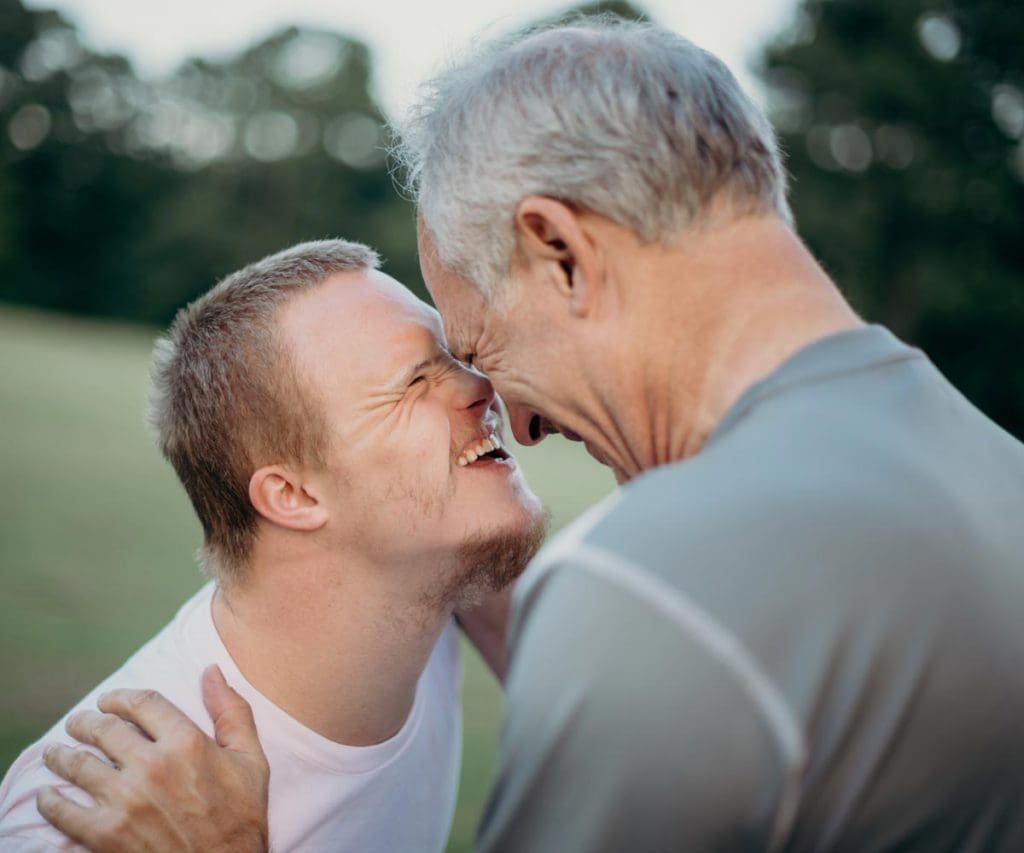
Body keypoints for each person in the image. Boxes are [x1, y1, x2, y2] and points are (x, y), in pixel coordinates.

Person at [37, 17, 1024, 852]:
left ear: (560, 252)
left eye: (480, 346)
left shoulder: (658, 592)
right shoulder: (988, 462)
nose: (520, 419)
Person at [0, 239, 546, 852]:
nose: (482, 384)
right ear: (293, 496)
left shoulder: (438, 573)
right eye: (416, 381)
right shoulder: (99, 813)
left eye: (455, 354)